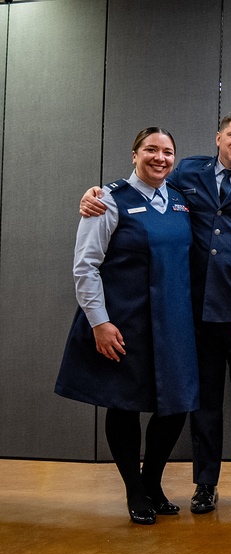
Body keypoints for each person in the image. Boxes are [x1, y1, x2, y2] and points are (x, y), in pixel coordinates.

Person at [80, 111, 231, 513]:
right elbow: (143, 185)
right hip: (192, 311)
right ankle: (205, 483)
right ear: (218, 137)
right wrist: (97, 193)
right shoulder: (186, 171)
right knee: (202, 402)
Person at [56, 127, 198, 525]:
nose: (160, 158)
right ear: (134, 154)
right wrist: (99, 322)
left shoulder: (181, 201)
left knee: (175, 405)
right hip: (124, 321)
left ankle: (152, 481)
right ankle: (134, 490)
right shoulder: (107, 200)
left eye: (168, 152)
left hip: (174, 322)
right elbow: (85, 266)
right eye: (151, 149)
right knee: (124, 404)